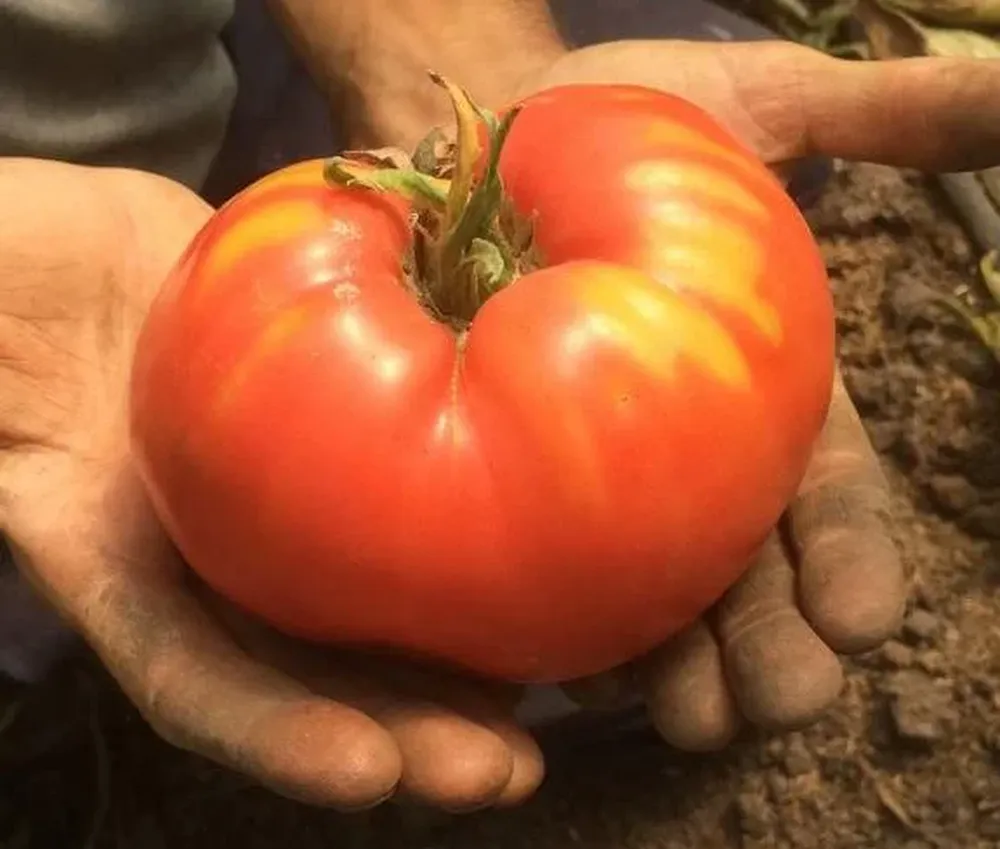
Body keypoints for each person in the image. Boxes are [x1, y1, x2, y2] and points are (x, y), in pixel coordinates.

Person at [1, 0, 998, 814]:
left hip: (183, 72)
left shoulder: (251, 286)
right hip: (68, 256)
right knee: (60, 599)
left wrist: (433, 46)